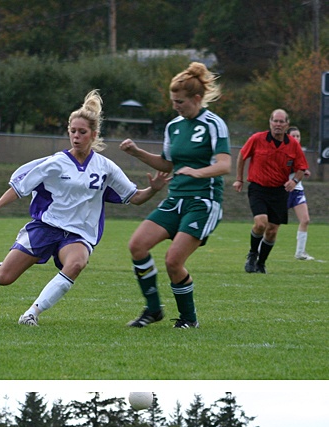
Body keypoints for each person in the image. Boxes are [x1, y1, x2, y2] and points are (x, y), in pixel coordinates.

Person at [0, 90, 169, 326]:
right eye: (72, 131)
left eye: (82, 132)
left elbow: (135, 197)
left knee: (76, 263)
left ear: (93, 135)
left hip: (78, 234)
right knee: (6, 278)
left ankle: (31, 314)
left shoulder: (105, 167)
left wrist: (154, 189)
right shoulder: (55, 163)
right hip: (46, 227)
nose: (76, 136)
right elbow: (20, 187)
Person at [120, 61, 231, 329]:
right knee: (137, 245)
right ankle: (154, 309)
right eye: (173, 101)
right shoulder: (174, 127)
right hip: (175, 199)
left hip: (203, 203)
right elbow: (167, 164)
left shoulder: (214, 124)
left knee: (173, 261)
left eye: (180, 101)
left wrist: (198, 172)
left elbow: (225, 164)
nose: (175, 106)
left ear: (196, 98)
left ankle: (188, 320)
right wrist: (137, 152)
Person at [233, 109, 308, 273]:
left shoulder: (293, 144)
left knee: (272, 231)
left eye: (282, 122)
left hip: (280, 191)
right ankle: (252, 254)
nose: (278, 125)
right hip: (258, 188)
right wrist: (239, 179)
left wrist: (294, 181)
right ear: (270, 122)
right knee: (261, 223)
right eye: (275, 121)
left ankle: (261, 263)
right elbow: (242, 155)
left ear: (287, 124)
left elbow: (302, 167)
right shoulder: (257, 139)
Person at [287, 127, 314, 261]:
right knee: (271, 224)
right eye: (294, 136)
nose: (296, 139)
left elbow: (301, 167)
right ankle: (257, 250)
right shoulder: (284, 149)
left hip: (297, 190)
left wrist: (304, 171)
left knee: (305, 220)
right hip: (284, 190)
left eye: (298, 136)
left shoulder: (300, 153)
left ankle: (300, 253)